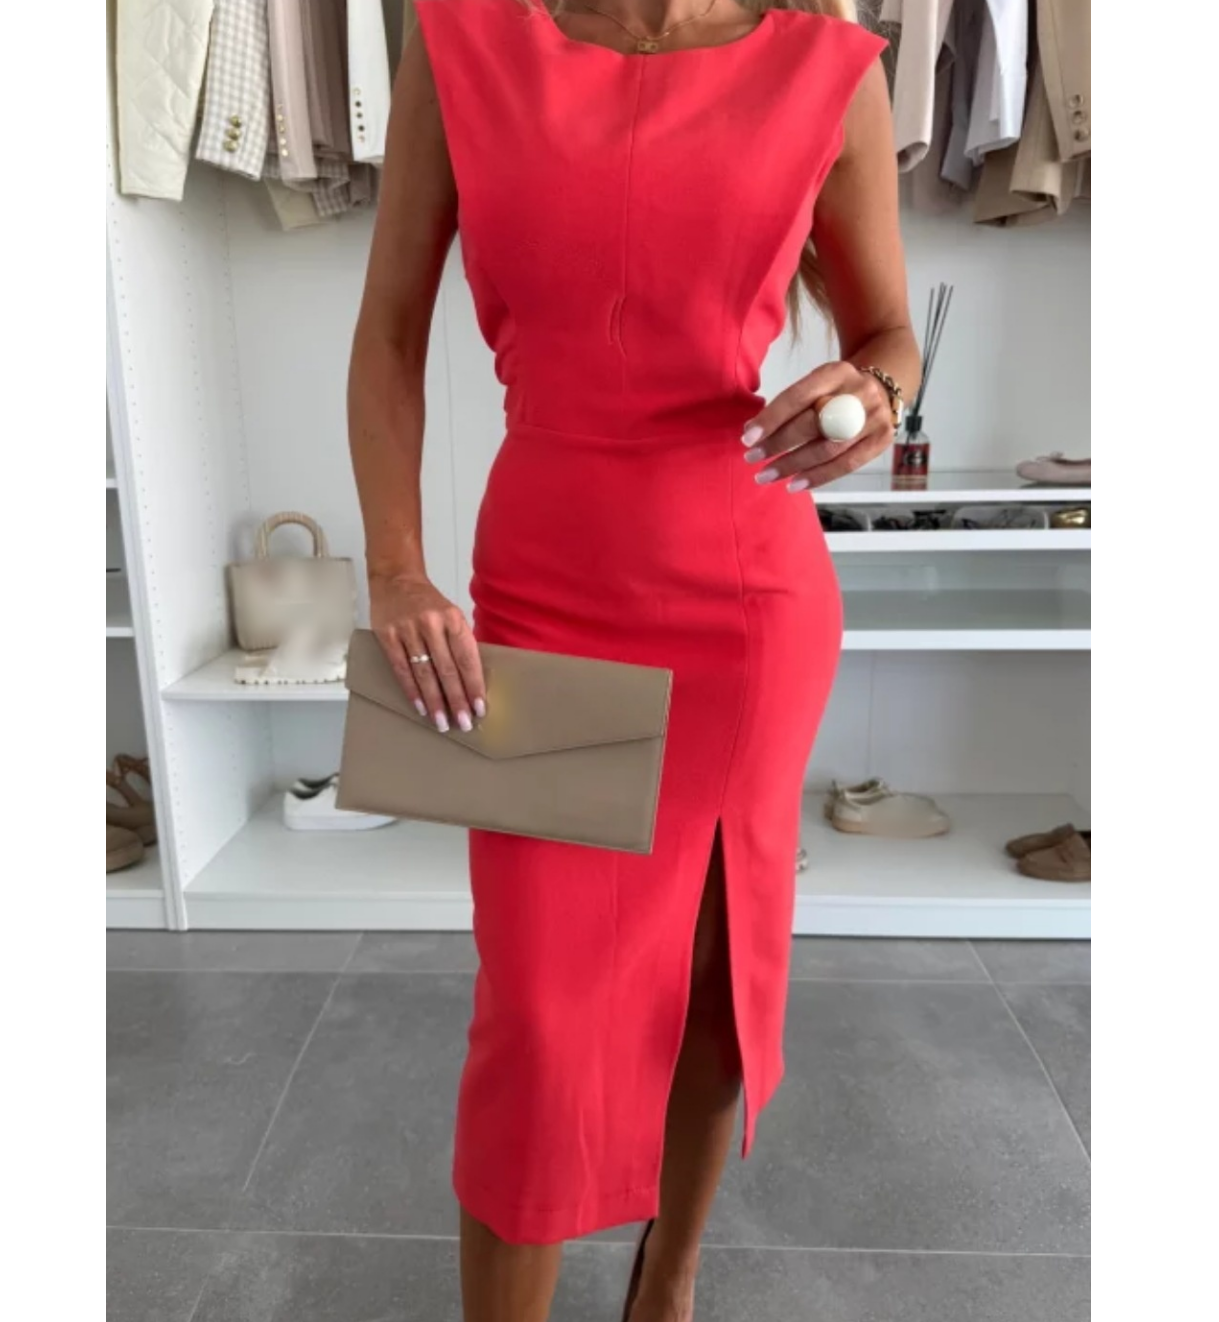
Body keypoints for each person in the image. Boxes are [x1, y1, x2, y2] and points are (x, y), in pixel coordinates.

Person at [347, 1, 920, 1317]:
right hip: (544, 587)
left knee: (716, 986)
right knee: (539, 1021)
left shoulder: (826, 67)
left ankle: (666, 1283)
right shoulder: (463, 40)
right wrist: (394, 566)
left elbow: (889, 330)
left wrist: (873, 395)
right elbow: (386, 330)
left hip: (748, 593)